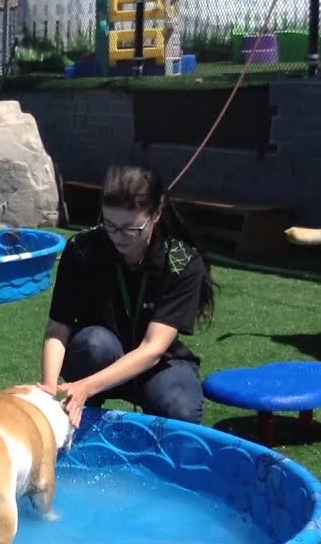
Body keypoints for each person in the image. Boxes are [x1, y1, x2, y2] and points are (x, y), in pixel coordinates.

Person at [39, 164, 218, 426]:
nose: (118, 237)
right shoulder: (82, 248)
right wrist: (48, 387)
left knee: (180, 410)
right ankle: (80, 420)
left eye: (130, 229)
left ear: (156, 214)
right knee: (93, 344)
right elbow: (58, 328)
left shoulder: (181, 260)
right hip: (100, 354)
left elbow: (153, 348)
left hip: (158, 364)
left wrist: (85, 387)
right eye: (109, 225)